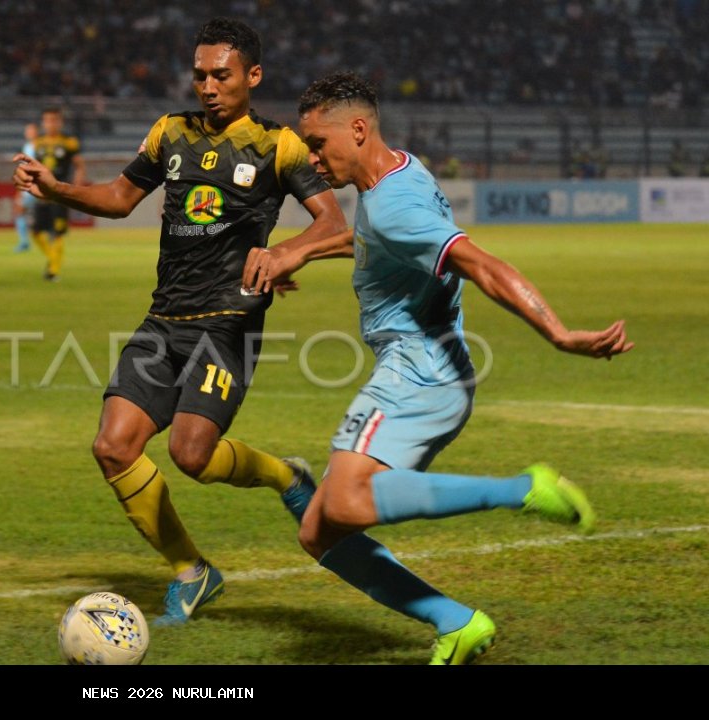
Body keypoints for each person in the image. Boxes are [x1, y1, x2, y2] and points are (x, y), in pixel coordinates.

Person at [243, 71, 633, 664]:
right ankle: (457, 622)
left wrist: (556, 332)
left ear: (357, 128)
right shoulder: (396, 171)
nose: (313, 158)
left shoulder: (394, 201)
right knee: (318, 533)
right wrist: (300, 248)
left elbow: (481, 263)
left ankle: (522, 490)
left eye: (318, 144)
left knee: (344, 503)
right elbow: (375, 239)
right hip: (434, 366)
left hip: (418, 368)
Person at [14, 18, 345, 625]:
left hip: (230, 323)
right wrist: (55, 189)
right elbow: (118, 198)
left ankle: (284, 475)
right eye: (200, 74)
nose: (208, 86)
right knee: (113, 447)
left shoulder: (279, 145)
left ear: (253, 75)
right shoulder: (171, 132)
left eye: (221, 74)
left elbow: (331, 222)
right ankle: (193, 573)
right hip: (164, 318)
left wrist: (284, 252)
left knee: (193, 456)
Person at [30, 108, 86, 280]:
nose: (51, 124)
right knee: (35, 231)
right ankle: (52, 258)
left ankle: (53, 271)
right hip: (42, 193)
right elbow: (33, 169)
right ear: (43, 122)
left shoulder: (69, 142)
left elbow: (79, 166)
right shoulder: (37, 143)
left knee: (58, 232)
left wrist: (76, 188)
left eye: (54, 120)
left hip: (61, 192)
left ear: (60, 122)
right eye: (48, 120)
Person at [13, 123, 38, 253]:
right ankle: (24, 241)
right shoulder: (27, 146)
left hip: (34, 185)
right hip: (29, 185)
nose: (29, 133)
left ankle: (24, 242)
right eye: (27, 131)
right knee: (19, 210)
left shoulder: (39, 147)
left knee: (19, 211)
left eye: (31, 131)